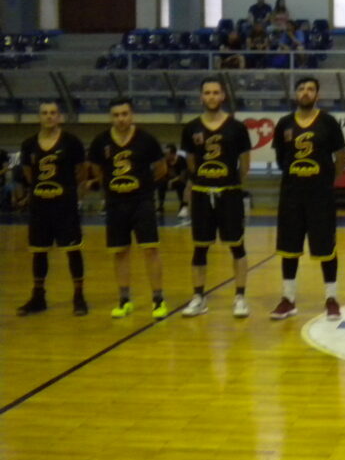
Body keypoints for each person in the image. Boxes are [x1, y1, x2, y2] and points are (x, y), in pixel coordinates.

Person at [270, 78, 345, 320]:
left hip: (320, 196)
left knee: (326, 248)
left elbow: (341, 158)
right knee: (289, 248)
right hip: (291, 195)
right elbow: (281, 159)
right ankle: (288, 299)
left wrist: (326, 180)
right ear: (296, 94)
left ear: (317, 95)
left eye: (310, 89)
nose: (305, 92)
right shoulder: (284, 123)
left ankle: (331, 299)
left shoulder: (328, 122)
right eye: (301, 89)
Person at [87, 97, 168, 319]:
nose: (121, 119)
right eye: (116, 115)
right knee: (120, 251)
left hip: (142, 202)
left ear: (132, 115)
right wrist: (111, 187)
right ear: (110, 117)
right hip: (115, 203)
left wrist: (144, 186)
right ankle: (124, 300)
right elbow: (96, 170)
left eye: (124, 114)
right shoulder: (100, 141)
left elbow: (161, 168)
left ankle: (158, 299)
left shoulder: (146, 139)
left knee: (150, 250)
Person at [180, 78, 253, 319]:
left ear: (223, 96)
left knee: (237, 246)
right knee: (200, 247)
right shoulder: (191, 128)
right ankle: (198, 297)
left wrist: (228, 182)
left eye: (215, 92)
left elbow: (244, 165)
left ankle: (240, 297)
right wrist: (203, 181)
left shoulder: (237, 127)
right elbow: (191, 163)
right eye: (207, 92)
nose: (211, 96)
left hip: (229, 194)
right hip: (202, 194)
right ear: (201, 97)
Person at [16, 101, 89, 317]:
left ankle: (79, 296)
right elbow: (29, 174)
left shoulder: (71, 142)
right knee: (39, 251)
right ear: (39, 117)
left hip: (65, 206)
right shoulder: (28, 144)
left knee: (72, 250)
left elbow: (81, 171)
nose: (49, 116)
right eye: (45, 113)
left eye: (53, 113)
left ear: (60, 117)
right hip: (40, 206)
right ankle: (38, 296)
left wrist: (69, 192)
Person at [156, 144, 188, 217]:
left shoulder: (181, 160)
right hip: (168, 181)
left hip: (179, 180)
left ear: (173, 154)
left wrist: (172, 181)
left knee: (181, 185)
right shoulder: (165, 161)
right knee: (160, 184)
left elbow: (182, 176)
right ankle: (160, 207)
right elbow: (161, 173)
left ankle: (183, 206)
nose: (165, 155)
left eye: (167, 154)